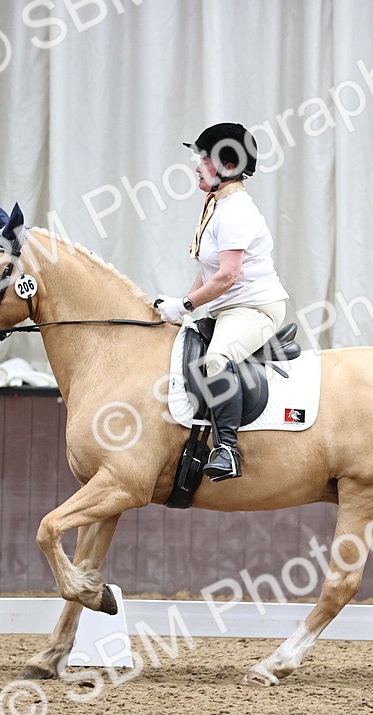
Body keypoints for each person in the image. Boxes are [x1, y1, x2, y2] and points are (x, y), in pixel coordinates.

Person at [154, 123, 289, 481]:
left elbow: (227, 275)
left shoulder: (237, 211)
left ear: (227, 167)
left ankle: (227, 449)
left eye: (203, 158)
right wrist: (183, 306)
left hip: (255, 309)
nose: (197, 165)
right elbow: (208, 268)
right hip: (226, 307)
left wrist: (184, 305)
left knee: (215, 360)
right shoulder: (216, 203)